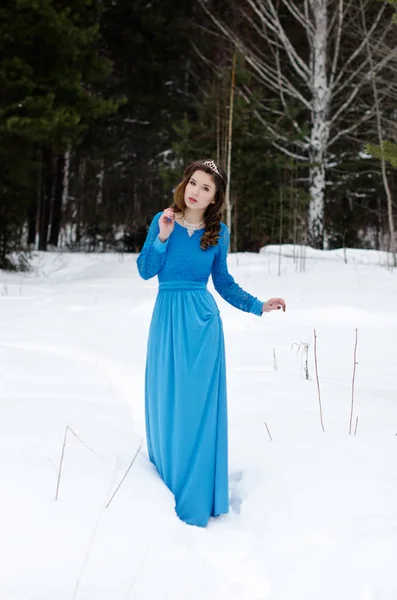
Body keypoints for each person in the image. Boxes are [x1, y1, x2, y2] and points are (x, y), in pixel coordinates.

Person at [137, 159, 286, 527]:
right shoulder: (164, 219)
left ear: (215, 197)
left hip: (202, 324)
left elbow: (223, 283)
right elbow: (145, 270)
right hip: (167, 322)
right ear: (184, 184)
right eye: (193, 182)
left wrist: (257, 305)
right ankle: (165, 486)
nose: (197, 191)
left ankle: (199, 494)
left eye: (206, 188)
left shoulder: (219, 232)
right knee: (166, 400)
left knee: (197, 407)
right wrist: (162, 237)